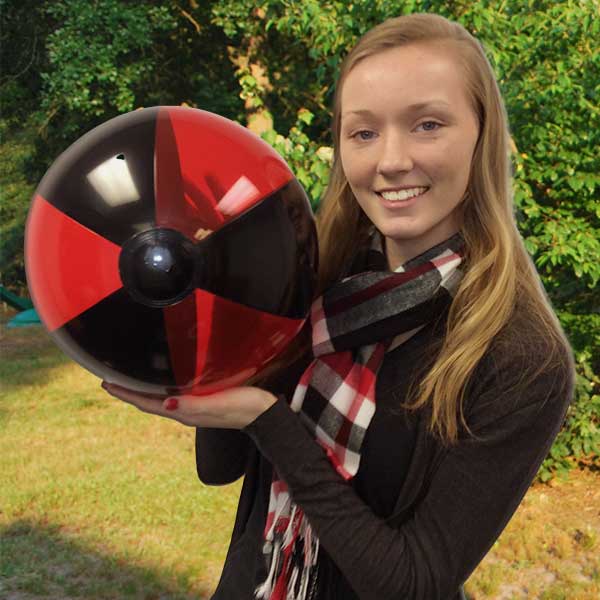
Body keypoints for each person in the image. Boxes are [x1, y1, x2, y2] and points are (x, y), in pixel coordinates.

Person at [102, 12, 575, 600]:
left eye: (427, 124)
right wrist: (221, 337)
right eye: (364, 132)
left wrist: (267, 420)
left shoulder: (520, 356)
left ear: (482, 135)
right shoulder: (311, 278)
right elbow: (219, 469)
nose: (391, 160)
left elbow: (415, 582)